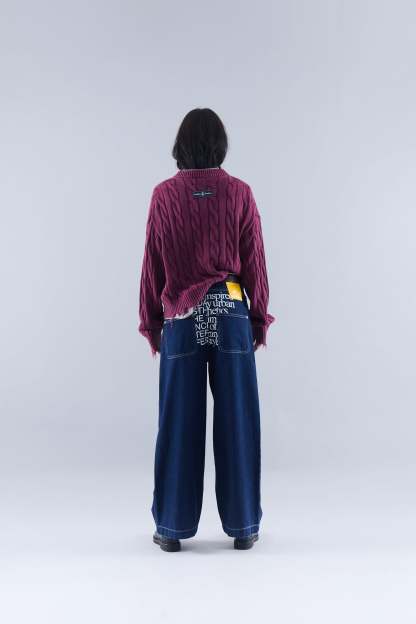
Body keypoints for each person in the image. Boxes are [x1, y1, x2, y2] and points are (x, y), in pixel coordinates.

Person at [138, 108, 275, 552]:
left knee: (177, 422)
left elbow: (153, 263)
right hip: (230, 312)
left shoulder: (163, 196)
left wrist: (151, 322)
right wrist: (258, 318)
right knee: (239, 419)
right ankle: (244, 526)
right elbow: (255, 261)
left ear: (180, 146)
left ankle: (171, 529)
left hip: (181, 317)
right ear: (221, 146)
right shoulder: (240, 193)